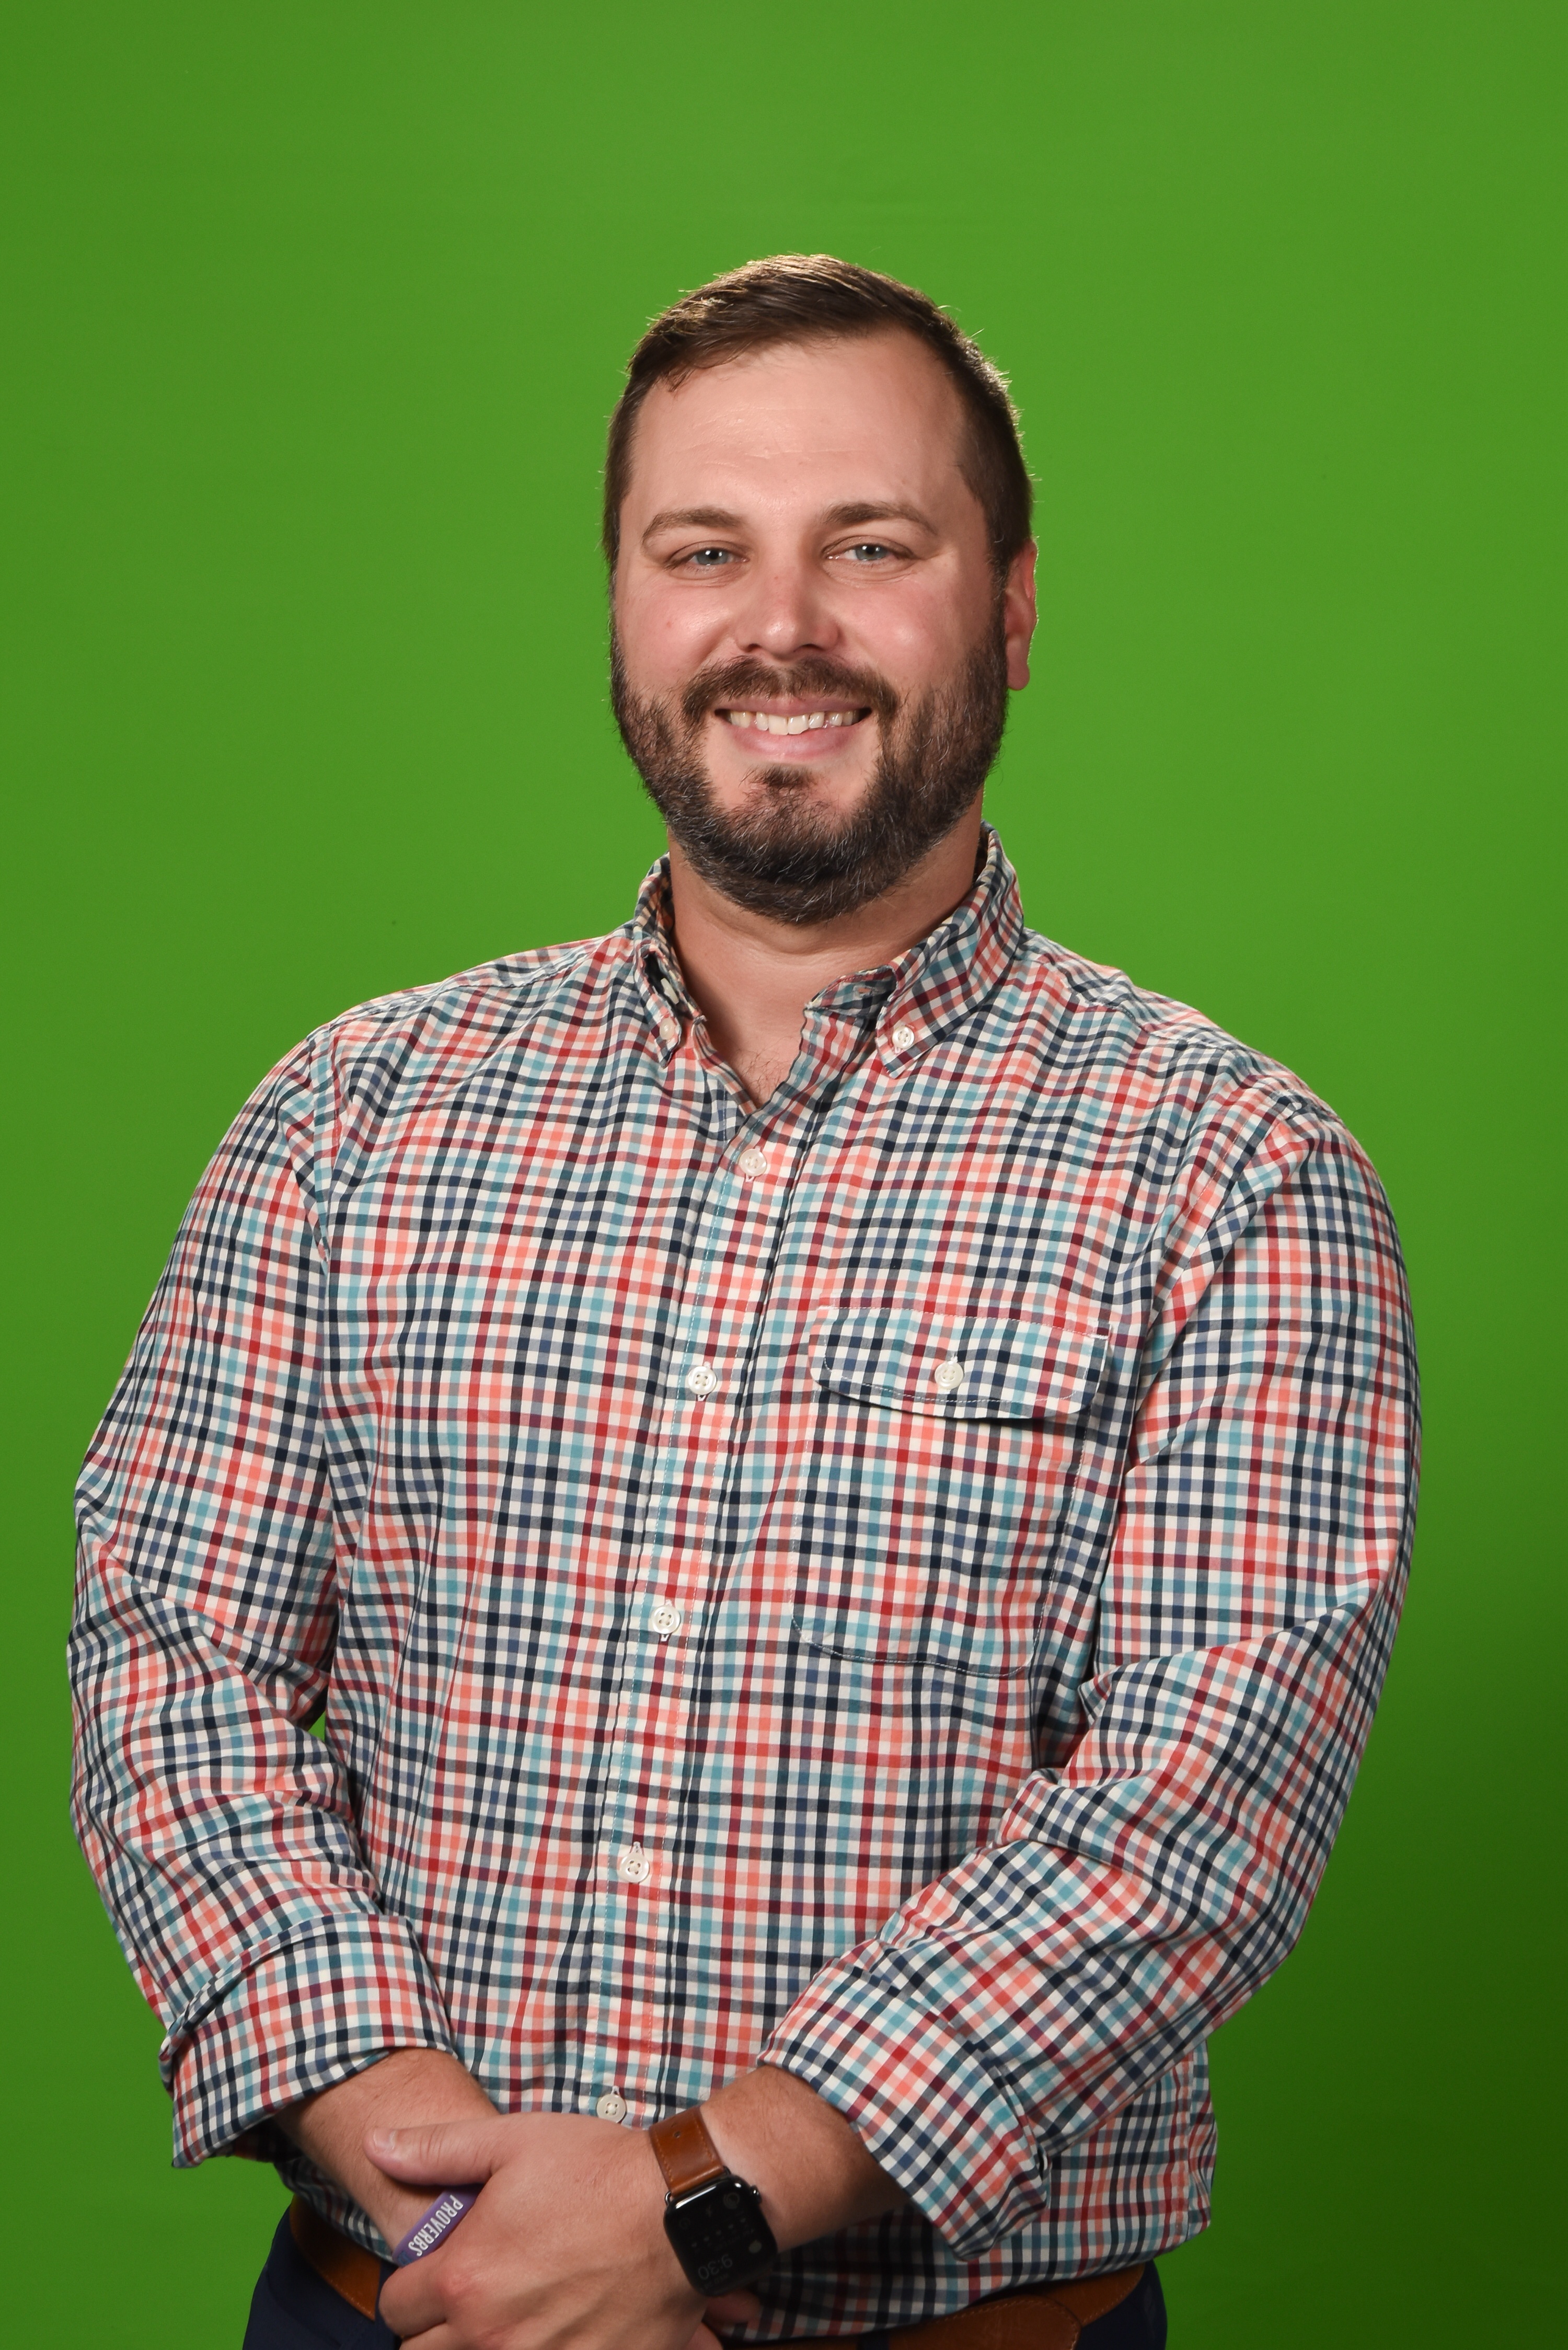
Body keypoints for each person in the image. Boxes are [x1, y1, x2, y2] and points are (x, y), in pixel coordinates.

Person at [70, 255, 1418, 2350]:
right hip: (396, 2308)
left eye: (870, 546)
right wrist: (418, 2147)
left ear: (1012, 606)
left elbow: (1192, 1815)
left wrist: (689, 2203)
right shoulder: (347, 1117)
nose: (780, 624)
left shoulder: (1236, 1175)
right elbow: (176, 1658)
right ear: (625, 604)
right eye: (705, 550)